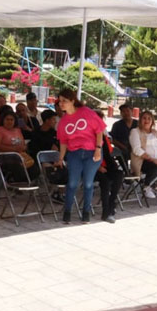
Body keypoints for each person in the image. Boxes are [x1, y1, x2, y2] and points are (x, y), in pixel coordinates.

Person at [56, 89, 105, 224]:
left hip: (91, 152)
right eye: (60, 101)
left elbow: (99, 131)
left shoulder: (86, 112)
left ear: (72, 101)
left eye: (64, 101)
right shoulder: (63, 121)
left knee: (88, 184)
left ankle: (86, 213)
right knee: (72, 183)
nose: (61, 104)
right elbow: (63, 142)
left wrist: (98, 149)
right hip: (74, 154)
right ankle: (67, 212)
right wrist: (61, 158)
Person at [129, 110, 157, 200]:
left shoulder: (155, 133)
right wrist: (152, 159)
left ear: (152, 121)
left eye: (149, 119)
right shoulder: (135, 131)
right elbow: (136, 149)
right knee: (155, 169)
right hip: (143, 161)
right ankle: (146, 187)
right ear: (140, 120)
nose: (146, 120)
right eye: (144, 118)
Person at [0, 110, 39, 181]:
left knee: (34, 169)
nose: (9, 122)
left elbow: (23, 144)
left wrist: (23, 147)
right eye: (7, 119)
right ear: (3, 120)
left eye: (11, 120)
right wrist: (14, 149)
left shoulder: (17, 130)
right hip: (6, 157)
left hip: (21, 155)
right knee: (18, 168)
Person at [94, 111, 122, 223]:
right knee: (105, 181)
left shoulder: (104, 137)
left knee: (119, 175)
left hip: (106, 165)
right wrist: (97, 167)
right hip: (92, 167)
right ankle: (106, 212)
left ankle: (112, 204)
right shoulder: (88, 137)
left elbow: (108, 154)